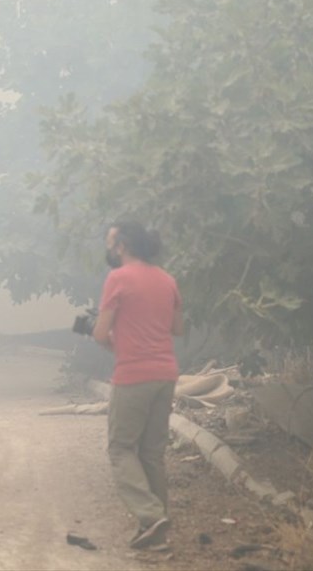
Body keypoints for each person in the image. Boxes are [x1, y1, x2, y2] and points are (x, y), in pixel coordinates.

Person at [92, 220, 184, 549]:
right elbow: (177, 328)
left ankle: (149, 514)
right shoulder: (167, 279)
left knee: (120, 448)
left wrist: (110, 338)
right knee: (152, 454)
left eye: (110, 242)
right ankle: (157, 530)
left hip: (133, 376)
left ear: (122, 246)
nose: (108, 248)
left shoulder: (118, 278)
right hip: (165, 374)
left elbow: (100, 334)